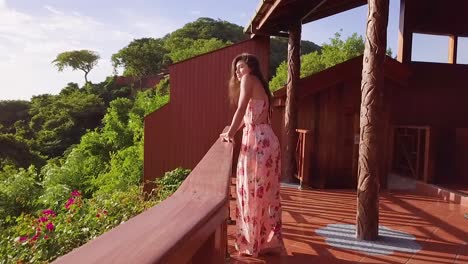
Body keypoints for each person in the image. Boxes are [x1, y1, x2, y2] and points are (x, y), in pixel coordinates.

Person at [220, 53, 283, 257]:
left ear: (251, 68)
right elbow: (246, 117)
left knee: (253, 190)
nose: (238, 72)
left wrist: (229, 134)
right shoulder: (258, 83)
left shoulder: (249, 80)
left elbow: (240, 109)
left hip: (258, 142)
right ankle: (261, 240)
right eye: (236, 68)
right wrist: (231, 131)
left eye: (241, 67)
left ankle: (254, 242)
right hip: (263, 139)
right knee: (262, 192)